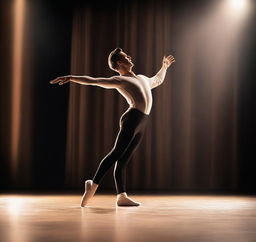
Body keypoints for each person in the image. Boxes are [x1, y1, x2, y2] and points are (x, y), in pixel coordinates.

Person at [50, 48, 175, 207]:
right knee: (116, 153)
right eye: (125, 56)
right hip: (132, 118)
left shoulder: (142, 78)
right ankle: (92, 185)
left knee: (123, 160)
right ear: (118, 63)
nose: (129, 57)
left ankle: (121, 196)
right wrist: (71, 77)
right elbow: (94, 81)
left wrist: (164, 66)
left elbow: (157, 80)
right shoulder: (120, 80)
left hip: (142, 121)